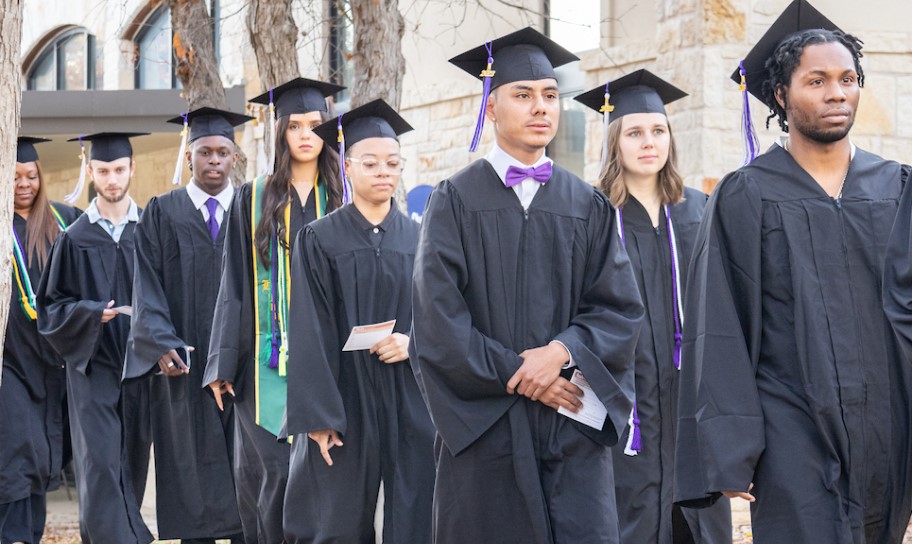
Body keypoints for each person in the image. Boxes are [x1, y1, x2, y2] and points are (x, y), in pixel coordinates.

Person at [673, 1, 912, 542]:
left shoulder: (897, 188)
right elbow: (720, 321)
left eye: (848, 78)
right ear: (781, 95)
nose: (836, 93)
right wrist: (733, 444)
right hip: (791, 425)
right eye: (817, 80)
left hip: (887, 422)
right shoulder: (747, 193)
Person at [410, 27, 644, 544]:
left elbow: (619, 310)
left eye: (550, 96)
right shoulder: (454, 200)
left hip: (571, 423)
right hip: (487, 426)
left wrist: (560, 351)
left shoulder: (588, 205)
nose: (541, 107)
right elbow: (437, 319)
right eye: (523, 95)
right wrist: (520, 370)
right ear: (491, 108)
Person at [575, 71, 731, 544]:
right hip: (624, 400)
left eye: (659, 130)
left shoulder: (701, 211)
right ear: (614, 142)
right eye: (635, 132)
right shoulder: (591, 215)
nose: (649, 142)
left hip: (691, 402)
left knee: (696, 521)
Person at [282, 99, 435, 543]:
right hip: (344, 394)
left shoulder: (420, 236)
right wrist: (318, 416)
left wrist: (413, 342)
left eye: (393, 163)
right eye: (370, 163)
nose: (383, 172)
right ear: (348, 167)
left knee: (416, 506)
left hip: (408, 389)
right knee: (339, 514)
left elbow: (442, 312)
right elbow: (308, 327)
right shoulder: (320, 237)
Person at [204, 78, 344, 543]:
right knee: (275, 478)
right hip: (267, 364)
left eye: (316, 125)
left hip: (332, 361)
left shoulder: (343, 194)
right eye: (296, 125)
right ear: (281, 131)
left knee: (329, 478)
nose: (306, 135)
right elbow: (234, 282)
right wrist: (223, 361)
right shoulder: (253, 197)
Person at [124, 107, 254, 543]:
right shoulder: (162, 211)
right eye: (205, 152)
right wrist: (159, 343)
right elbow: (146, 284)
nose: (214, 160)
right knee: (187, 469)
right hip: (182, 361)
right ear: (190, 156)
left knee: (248, 461)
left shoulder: (254, 207)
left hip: (245, 361)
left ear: (235, 157)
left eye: (222, 152)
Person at [37, 132, 154, 544]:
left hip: (142, 365)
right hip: (93, 367)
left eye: (119, 169)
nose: (112, 179)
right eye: (103, 171)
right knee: (100, 463)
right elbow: (49, 308)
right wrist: (89, 312)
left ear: (132, 169)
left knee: (133, 462)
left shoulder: (150, 231)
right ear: (91, 172)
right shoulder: (74, 238)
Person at [0, 137, 80, 544]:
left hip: (52, 360)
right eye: (15, 177)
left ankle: (29, 533)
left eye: (32, 175)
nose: (25, 184)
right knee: (16, 452)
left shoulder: (63, 221)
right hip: (10, 359)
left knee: (38, 457)